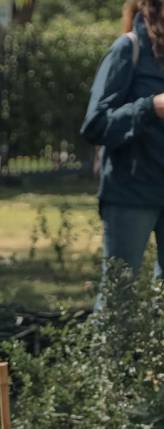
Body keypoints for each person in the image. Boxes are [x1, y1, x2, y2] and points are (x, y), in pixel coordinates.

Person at [82, 0, 164, 295]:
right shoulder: (128, 49)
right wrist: (149, 107)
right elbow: (95, 124)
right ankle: (112, 345)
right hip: (131, 194)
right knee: (120, 300)